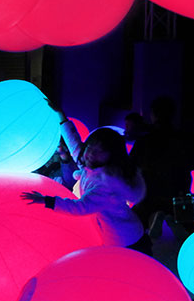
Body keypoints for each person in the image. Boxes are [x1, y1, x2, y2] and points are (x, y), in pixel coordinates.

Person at [21, 106, 149, 252]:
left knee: (129, 271)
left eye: (99, 151)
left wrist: (46, 200)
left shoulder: (106, 183)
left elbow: (80, 207)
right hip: (119, 235)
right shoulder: (90, 165)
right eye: (89, 147)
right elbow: (74, 144)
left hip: (125, 240)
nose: (90, 153)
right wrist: (62, 118)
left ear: (112, 156)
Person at [130, 96, 194, 240]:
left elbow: (130, 166)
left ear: (153, 115)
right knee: (190, 231)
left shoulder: (144, 141)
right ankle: (179, 227)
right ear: (172, 115)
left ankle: (152, 223)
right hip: (179, 196)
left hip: (148, 197)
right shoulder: (186, 138)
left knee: (135, 226)